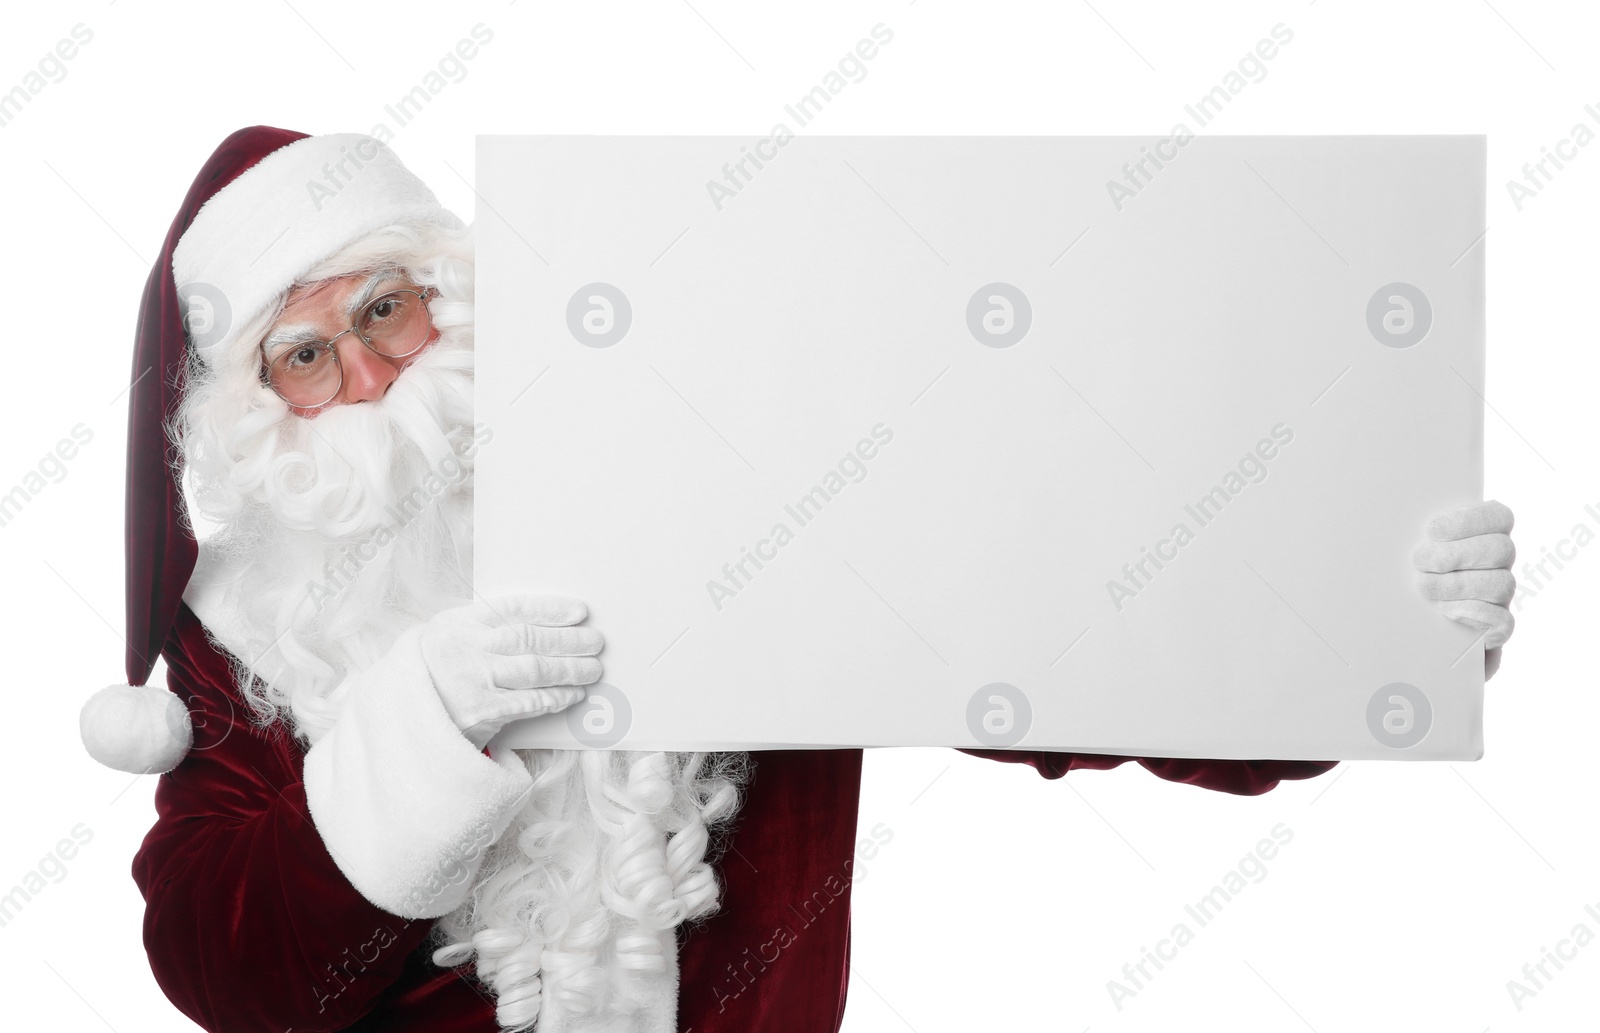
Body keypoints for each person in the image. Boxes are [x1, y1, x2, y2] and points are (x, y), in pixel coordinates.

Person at [77, 126, 1516, 1033]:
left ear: (451, 297)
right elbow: (225, 972)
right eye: (310, 353)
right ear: (257, 407)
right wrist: (422, 724)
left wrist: (1369, 617)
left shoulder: (710, 478)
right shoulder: (247, 632)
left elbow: (1057, 631)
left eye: (386, 306)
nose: (377, 373)